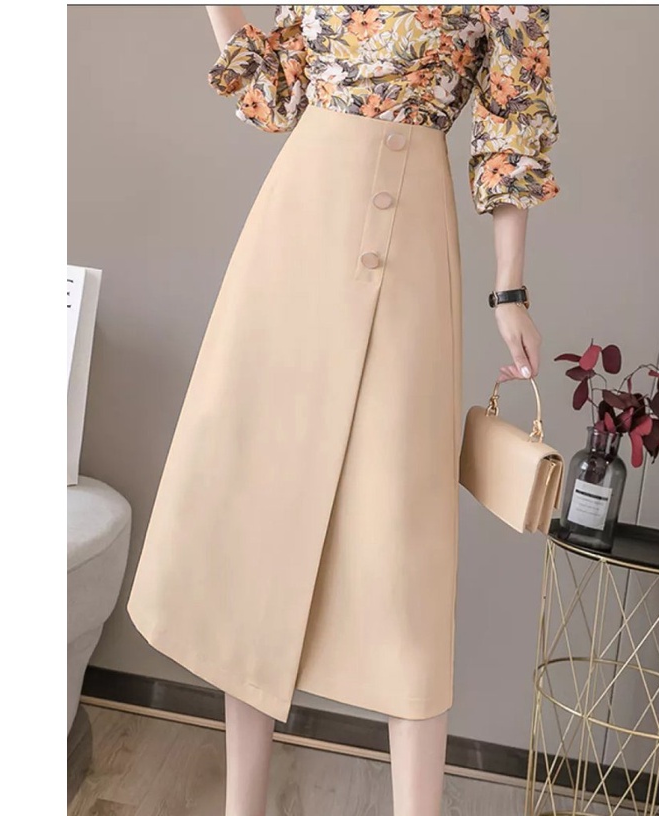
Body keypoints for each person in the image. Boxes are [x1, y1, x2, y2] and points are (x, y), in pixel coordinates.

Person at [126, 5, 560, 815]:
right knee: (260, 511)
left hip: (413, 239)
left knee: (403, 533)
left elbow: (514, 126)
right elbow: (274, 97)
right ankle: (243, 804)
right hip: (295, 233)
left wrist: (511, 292)